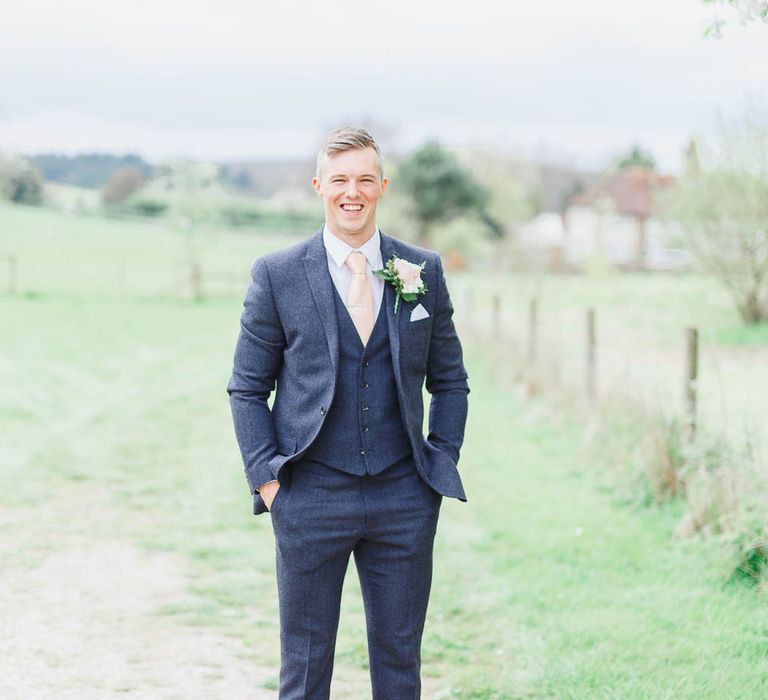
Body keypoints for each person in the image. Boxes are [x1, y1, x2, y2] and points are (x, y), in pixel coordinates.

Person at [227, 127, 469, 699]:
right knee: (305, 670)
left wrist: (439, 463)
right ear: (319, 187)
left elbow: (451, 380)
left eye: (364, 179)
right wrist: (267, 480)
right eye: (339, 180)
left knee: (399, 666)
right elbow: (246, 388)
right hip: (309, 495)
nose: (351, 192)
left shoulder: (422, 271)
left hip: (403, 497)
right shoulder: (278, 274)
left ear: (382, 186)